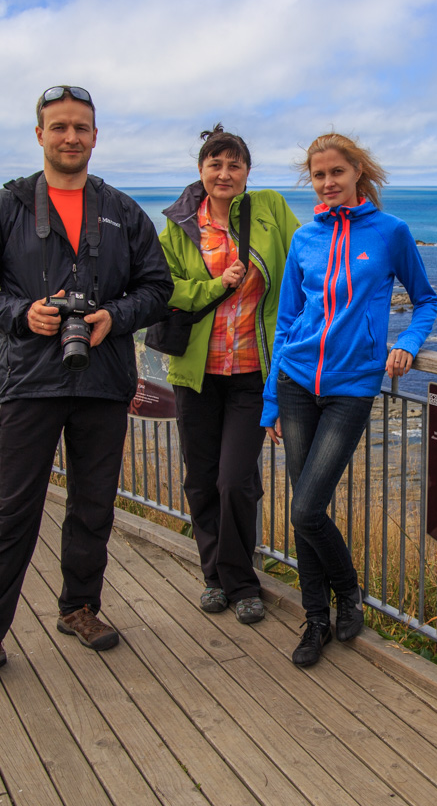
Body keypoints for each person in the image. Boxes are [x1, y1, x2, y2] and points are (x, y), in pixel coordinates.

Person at [0, 85, 173, 697]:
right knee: (12, 514)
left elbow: (157, 287)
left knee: (93, 507)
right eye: (59, 127)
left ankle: (78, 608)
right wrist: (21, 314)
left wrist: (112, 318)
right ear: (39, 135)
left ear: (95, 137)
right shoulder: (3, 208)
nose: (71, 137)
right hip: (30, 384)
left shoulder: (122, 210)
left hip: (102, 380)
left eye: (81, 128)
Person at [261, 133, 437, 667]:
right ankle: (315, 619)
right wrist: (270, 399)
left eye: (336, 172)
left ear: (358, 171)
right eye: (318, 176)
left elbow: (426, 300)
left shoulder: (390, 233)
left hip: (350, 388)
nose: (328, 182)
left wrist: (406, 343)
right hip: (295, 382)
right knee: (302, 512)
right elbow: (287, 319)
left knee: (307, 507)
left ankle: (349, 592)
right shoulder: (303, 239)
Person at [158, 125, 299, 624]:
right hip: (196, 374)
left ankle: (242, 583)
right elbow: (165, 290)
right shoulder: (178, 228)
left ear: (246, 173)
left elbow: (307, 262)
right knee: (200, 481)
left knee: (235, 480)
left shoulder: (270, 210)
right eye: (215, 164)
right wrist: (216, 286)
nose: (224, 173)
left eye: (234, 165)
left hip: (252, 373)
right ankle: (214, 576)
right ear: (201, 171)